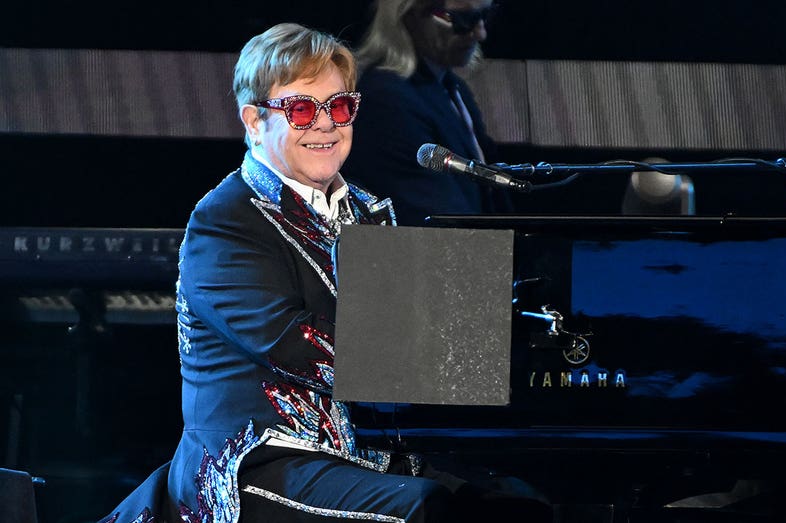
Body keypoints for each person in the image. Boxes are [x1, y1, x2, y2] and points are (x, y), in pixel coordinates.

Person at [99, 22, 549, 523]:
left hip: (366, 454)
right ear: (253, 121)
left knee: (518, 503)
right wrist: (455, 348)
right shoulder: (225, 220)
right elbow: (294, 343)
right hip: (255, 463)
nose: (325, 125)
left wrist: (509, 346)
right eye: (301, 109)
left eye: (339, 107)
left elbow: (428, 345)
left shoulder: (371, 210)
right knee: (421, 507)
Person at [340, 0, 513, 226]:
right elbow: (439, 218)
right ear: (409, 15)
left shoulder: (451, 87)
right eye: (462, 20)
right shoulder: (388, 101)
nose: (480, 33)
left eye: (485, 15)